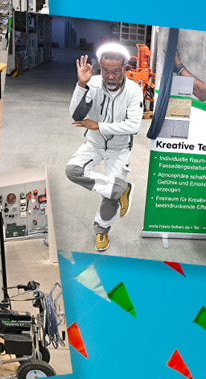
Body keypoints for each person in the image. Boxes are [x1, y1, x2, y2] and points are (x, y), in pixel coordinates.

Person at [66, 44, 143, 251]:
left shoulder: (134, 91)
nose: (110, 77)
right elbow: (77, 115)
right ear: (101, 68)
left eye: (116, 72)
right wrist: (81, 85)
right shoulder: (94, 84)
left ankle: (102, 231)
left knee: (110, 196)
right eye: (106, 71)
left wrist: (99, 125)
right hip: (94, 143)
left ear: (124, 69)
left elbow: (134, 126)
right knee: (73, 170)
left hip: (119, 149)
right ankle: (122, 189)